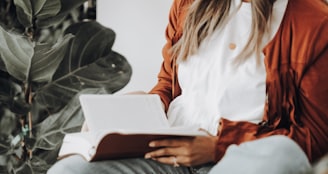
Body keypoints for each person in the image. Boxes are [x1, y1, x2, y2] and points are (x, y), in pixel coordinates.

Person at [47, 0, 328, 173]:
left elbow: (314, 136)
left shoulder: (314, 22)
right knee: (70, 171)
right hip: (166, 154)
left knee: (281, 155)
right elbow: (168, 85)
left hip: (243, 161)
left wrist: (218, 147)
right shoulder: (188, 4)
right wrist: (137, 108)